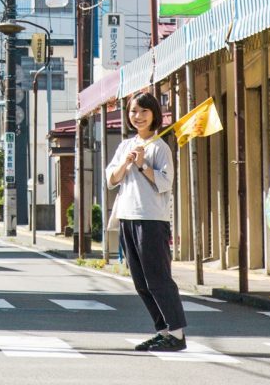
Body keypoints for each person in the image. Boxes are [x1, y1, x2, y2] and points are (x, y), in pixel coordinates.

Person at [106, 91, 188, 352]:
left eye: (144, 111)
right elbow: (112, 179)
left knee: (159, 278)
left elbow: (166, 183)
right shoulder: (124, 146)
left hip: (151, 219)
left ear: (154, 115)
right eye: (133, 111)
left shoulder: (160, 147)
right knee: (140, 282)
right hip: (128, 217)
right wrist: (127, 163)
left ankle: (177, 334)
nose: (138, 116)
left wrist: (143, 165)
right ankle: (163, 331)